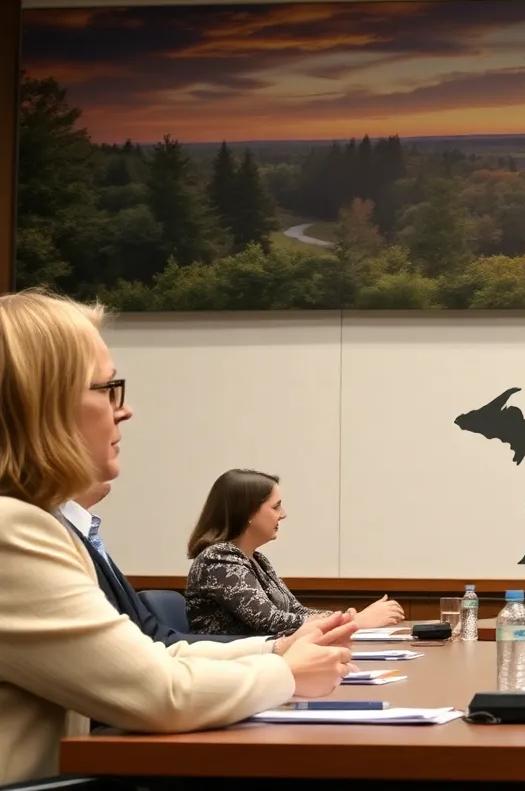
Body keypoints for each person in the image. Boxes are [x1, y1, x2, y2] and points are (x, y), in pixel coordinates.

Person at [0, 289, 354, 784]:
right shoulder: (11, 529)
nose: (124, 411)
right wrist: (288, 672)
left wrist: (279, 651)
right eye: (107, 389)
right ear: (45, 405)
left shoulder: (28, 520)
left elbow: (151, 657)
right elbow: (158, 693)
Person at [185, 468, 404, 636]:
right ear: (247, 514)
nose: (283, 514)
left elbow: (297, 611)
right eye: (275, 507)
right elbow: (270, 621)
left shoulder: (258, 560)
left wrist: (346, 617)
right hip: (235, 671)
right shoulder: (219, 560)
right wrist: (354, 622)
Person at [62, 480, 247, 645]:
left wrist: (267, 647)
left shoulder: (86, 533)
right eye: (274, 506)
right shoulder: (57, 536)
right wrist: (268, 647)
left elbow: (152, 635)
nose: (278, 515)